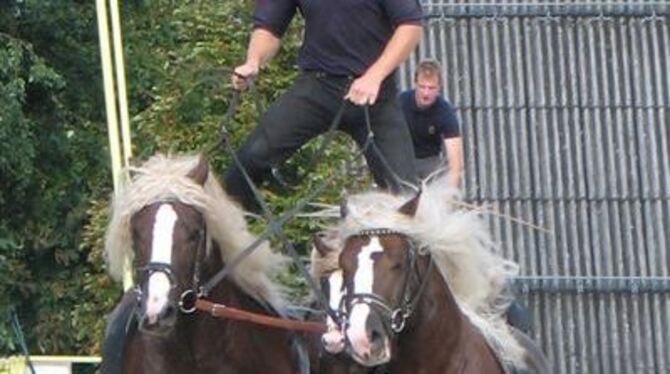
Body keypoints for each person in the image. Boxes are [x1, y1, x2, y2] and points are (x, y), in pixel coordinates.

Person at [225, 0, 423, 213]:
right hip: (317, 88)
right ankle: (242, 234)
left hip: (374, 95)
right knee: (248, 161)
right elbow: (269, 27)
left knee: (407, 196)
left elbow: (410, 26)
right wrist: (253, 61)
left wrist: (373, 76)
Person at [399, 59, 463, 187]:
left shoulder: (445, 112)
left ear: (439, 87)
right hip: (402, 159)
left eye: (431, 88)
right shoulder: (399, 103)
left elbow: (456, 163)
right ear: (415, 84)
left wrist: (448, 195)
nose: (426, 93)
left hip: (430, 162)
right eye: (422, 87)